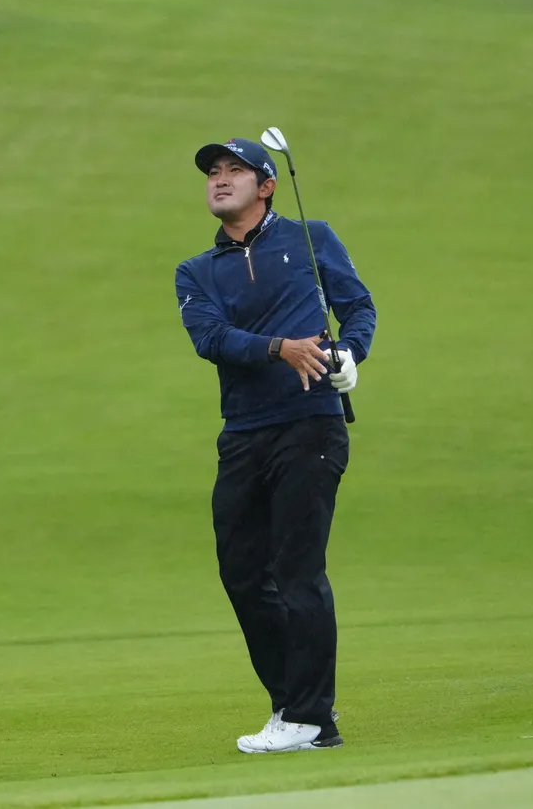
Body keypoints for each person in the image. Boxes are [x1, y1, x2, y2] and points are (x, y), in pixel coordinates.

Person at [174, 137, 376, 753]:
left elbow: (357, 307)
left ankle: (308, 718)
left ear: (266, 186)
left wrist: (350, 355)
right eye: (213, 171)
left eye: (234, 170)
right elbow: (211, 338)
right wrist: (279, 349)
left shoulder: (311, 238)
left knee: (298, 572)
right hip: (242, 433)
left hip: (311, 424)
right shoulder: (196, 272)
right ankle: (297, 706)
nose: (219, 178)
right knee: (241, 574)